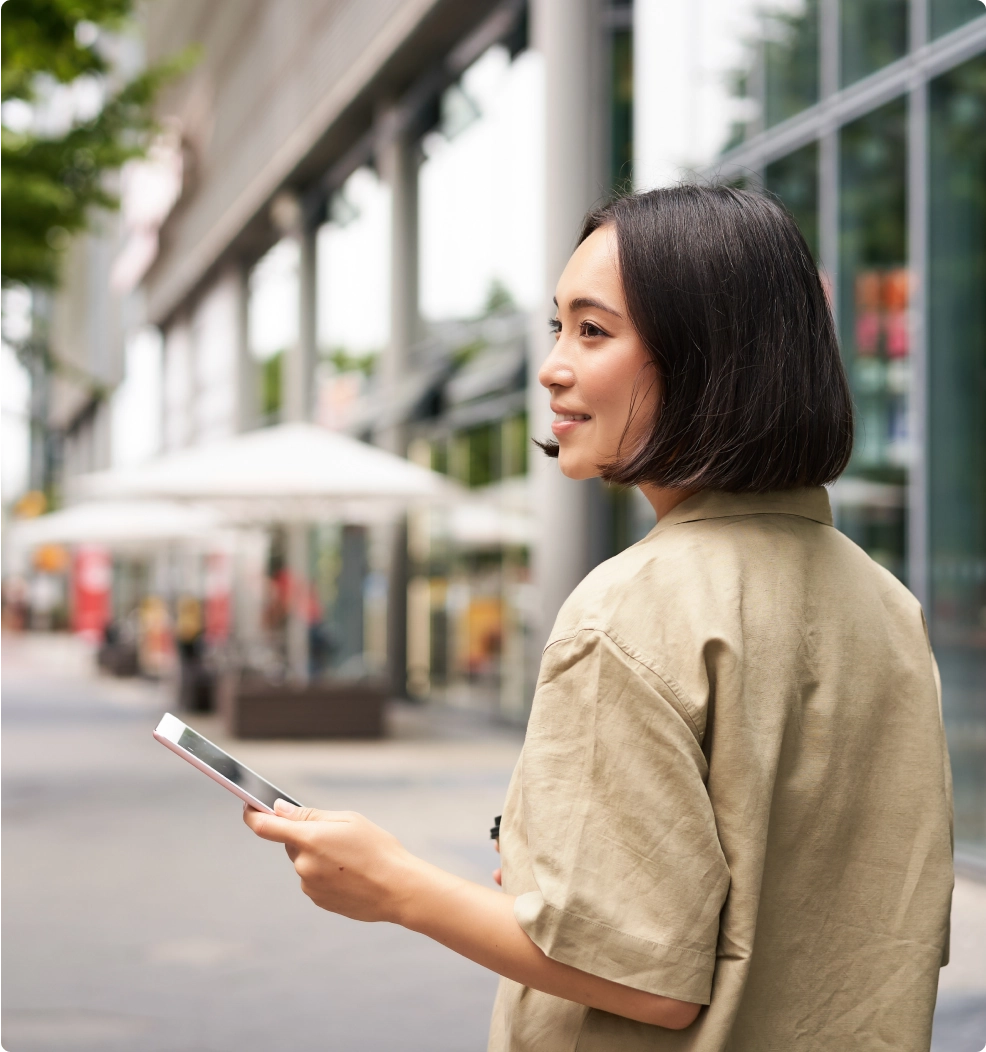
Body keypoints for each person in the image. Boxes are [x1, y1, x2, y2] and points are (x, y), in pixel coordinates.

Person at [244, 186, 953, 1051]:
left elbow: (641, 979)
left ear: (706, 357)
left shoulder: (635, 605)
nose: (552, 366)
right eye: (557, 327)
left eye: (593, 330)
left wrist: (394, 885)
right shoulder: (883, 601)